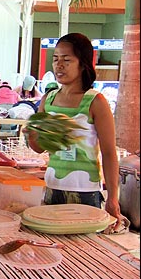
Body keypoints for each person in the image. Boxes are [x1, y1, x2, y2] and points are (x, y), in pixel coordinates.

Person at [25, 33, 122, 230]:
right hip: (53, 188)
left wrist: (113, 197)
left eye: (66, 60)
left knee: (85, 249)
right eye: (55, 59)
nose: (59, 65)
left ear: (83, 63)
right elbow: (38, 148)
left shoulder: (95, 102)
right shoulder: (48, 100)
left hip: (86, 191)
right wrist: (32, 132)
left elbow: (109, 153)